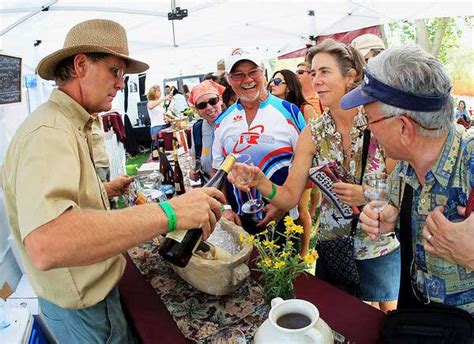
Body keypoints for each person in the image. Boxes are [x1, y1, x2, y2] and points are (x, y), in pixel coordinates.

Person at [1, 19, 225, 343]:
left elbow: (54, 206)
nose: (121, 84)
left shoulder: (65, 122)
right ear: (81, 65)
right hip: (85, 312)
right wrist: (170, 213)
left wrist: (100, 191)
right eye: (115, 71)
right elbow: (47, 243)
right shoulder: (49, 132)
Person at [229, 39, 400, 312]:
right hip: (335, 248)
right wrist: (259, 180)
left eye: (324, 71)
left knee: (389, 317)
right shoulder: (313, 133)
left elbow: (403, 187)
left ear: (351, 76)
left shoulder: (377, 119)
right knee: (346, 321)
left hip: (378, 245)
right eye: (312, 72)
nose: (316, 80)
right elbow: (287, 197)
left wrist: (366, 193)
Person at [343, 44, 474, 313]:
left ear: (404, 128)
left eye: (369, 120)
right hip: (425, 321)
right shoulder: (404, 169)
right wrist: (396, 220)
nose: (368, 130)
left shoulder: (469, 160)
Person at [212, 48, 306, 234]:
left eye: (253, 72)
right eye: (238, 75)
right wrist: (226, 209)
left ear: (263, 72)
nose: (247, 80)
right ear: (229, 80)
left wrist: (281, 205)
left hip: (284, 218)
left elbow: (308, 164)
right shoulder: (222, 121)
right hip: (240, 222)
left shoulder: (290, 111)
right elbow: (217, 170)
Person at [268, 69, 316, 255]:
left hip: (302, 169)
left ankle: (304, 252)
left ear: (289, 85)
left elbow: (317, 141)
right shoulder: (274, 110)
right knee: (286, 213)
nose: (272, 83)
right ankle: (288, 248)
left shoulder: (305, 108)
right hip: (282, 169)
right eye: (272, 80)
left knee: (301, 211)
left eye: (278, 81)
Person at [187, 80, 226, 182]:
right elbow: (196, 157)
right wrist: (194, 170)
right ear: (197, 110)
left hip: (232, 187)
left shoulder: (233, 123)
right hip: (208, 183)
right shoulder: (197, 128)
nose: (209, 107)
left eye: (213, 101)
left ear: (220, 100)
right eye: (202, 105)